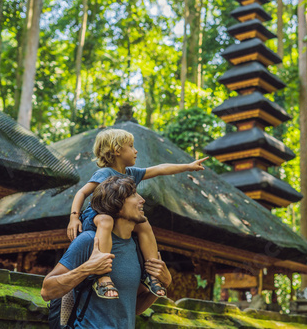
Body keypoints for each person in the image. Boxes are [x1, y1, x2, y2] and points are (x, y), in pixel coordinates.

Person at [66, 128, 208, 298]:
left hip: (118, 217)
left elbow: (160, 169)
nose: (136, 150)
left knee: (144, 223)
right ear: (117, 150)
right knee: (106, 220)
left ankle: (151, 273)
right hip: (97, 216)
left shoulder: (131, 173)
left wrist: (188, 167)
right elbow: (82, 192)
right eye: (131, 146)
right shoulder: (104, 173)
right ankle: (102, 275)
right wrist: (74, 217)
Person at [41, 176, 172, 328]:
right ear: (116, 203)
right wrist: (87, 269)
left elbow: (134, 309)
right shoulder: (90, 241)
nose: (142, 199)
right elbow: (47, 291)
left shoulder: (138, 247)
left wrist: (164, 283)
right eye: (134, 194)